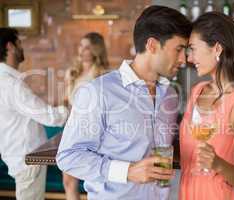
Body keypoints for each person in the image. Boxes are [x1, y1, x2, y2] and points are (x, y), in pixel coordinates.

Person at [56, 5, 191, 200]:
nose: (184, 59)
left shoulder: (170, 94)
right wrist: (127, 171)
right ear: (152, 45)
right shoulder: (98, 92)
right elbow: (68, 156)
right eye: (179, 49)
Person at [179, 12, 234, 200]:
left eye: (193, 49)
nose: (189, 58)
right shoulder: (196, 91)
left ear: (217, 48)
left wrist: (218, 165)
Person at [0, 28, 69, 200]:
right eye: (19, 44)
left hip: (18, 155)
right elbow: (49, 116)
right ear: (10, 47)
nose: (22, 48)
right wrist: (72, 110)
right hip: (27, 159)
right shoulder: (11, 85)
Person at [62, 32, 109, 200]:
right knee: (68, 180)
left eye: (87, 47)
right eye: (81, 45)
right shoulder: (72, 73)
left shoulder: (103, 74)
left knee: (94, 180)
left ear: (96, 50)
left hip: (94, 131)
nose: (82, 50)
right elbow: (67, 103)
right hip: (73, 130)